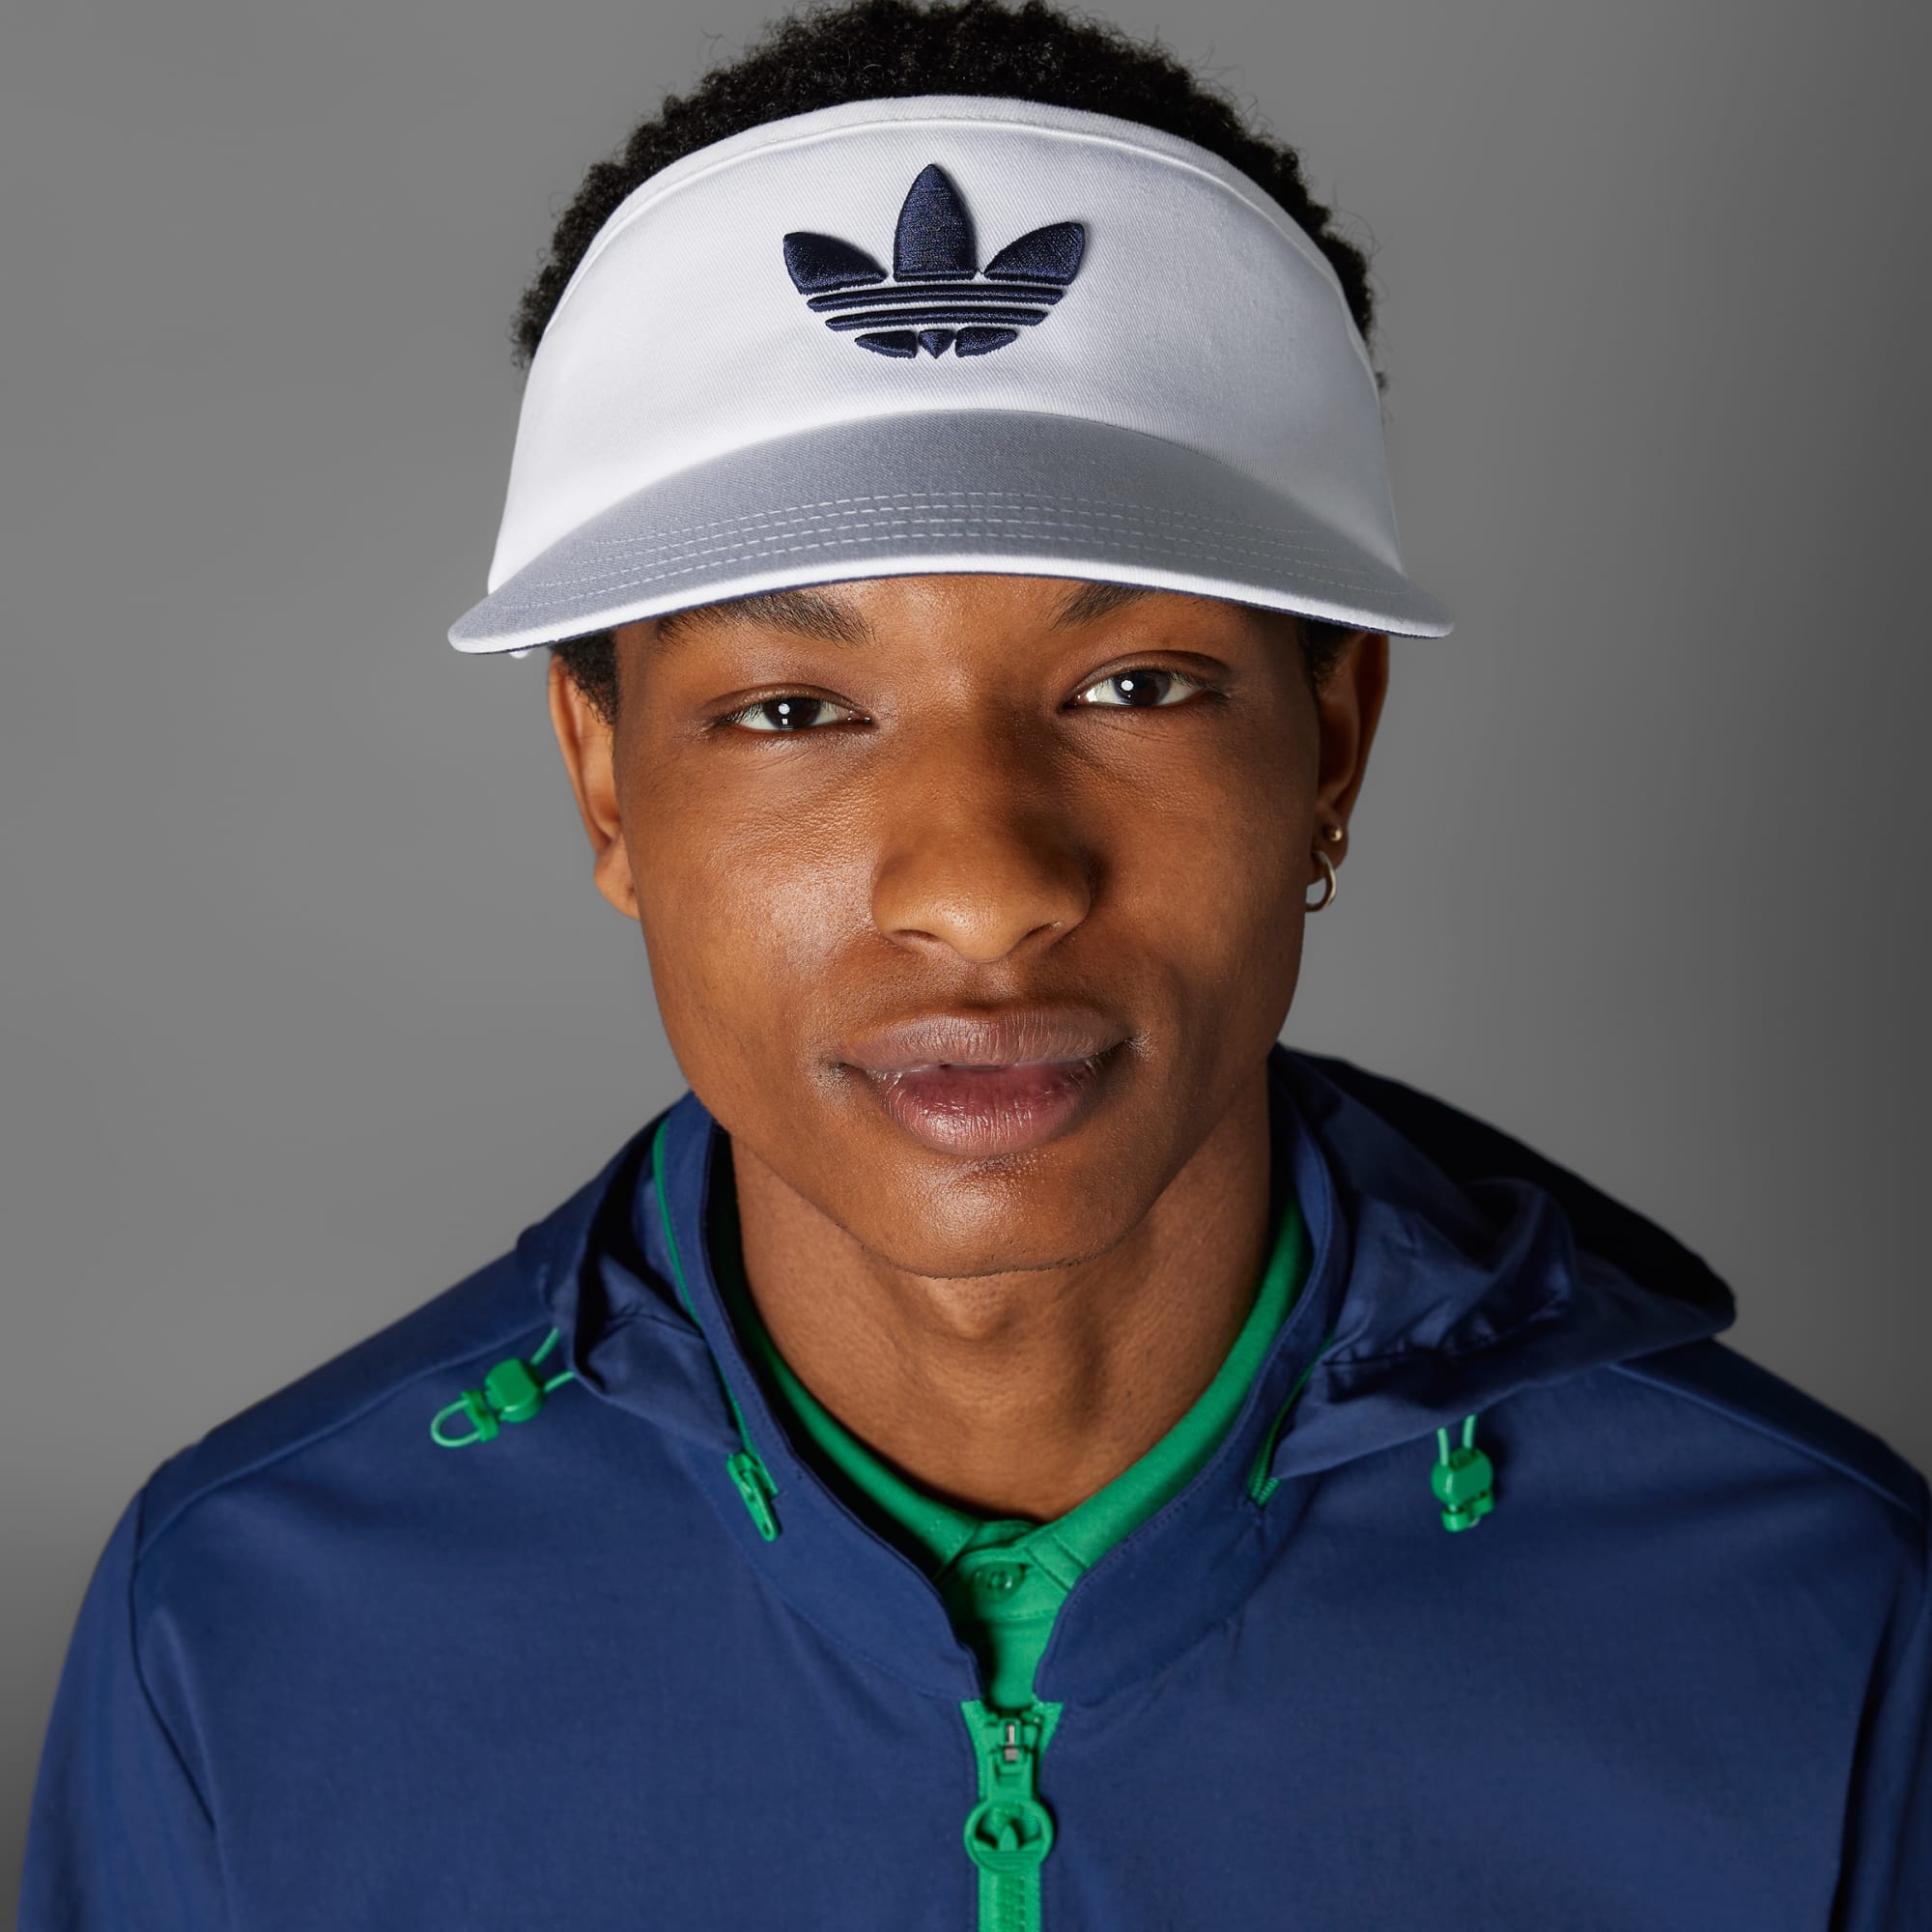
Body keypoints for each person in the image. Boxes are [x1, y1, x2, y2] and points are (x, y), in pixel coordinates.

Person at [19, 1, 1929, 1926]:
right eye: (790, 709)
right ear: (605, 779)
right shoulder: (248, 1620)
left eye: (1137, 684)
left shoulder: (1819, 1614)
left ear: (1332, 746)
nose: (983, 887)